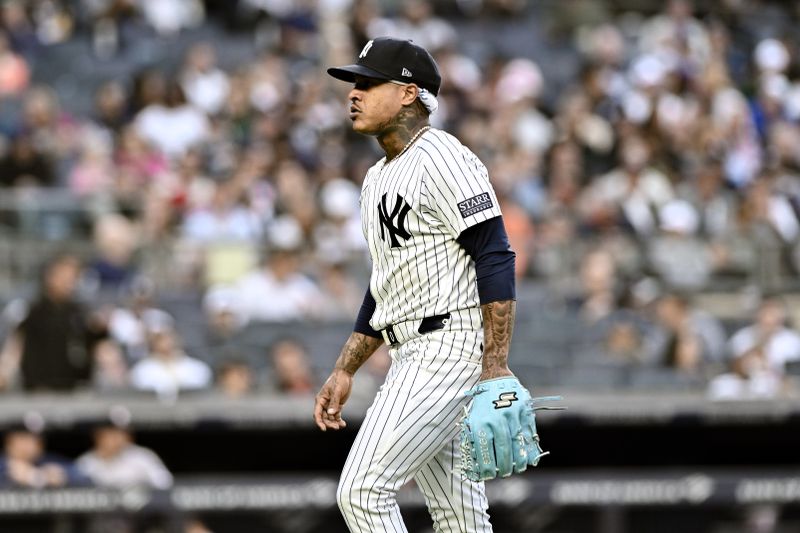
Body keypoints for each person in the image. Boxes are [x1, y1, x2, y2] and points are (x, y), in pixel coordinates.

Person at [315, 37, 519, 531]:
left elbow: (495, 254)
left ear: (408, 92)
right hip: (412, 350)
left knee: (363, 492)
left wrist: (496, 366)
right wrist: (346, 368)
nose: (353, 94)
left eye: (367, 83)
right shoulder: (375, 178)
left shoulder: (443, 157)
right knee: (460, 517)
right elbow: (384, 285)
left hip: (448, 349)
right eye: (352, 85)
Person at [0, 425, 87, 488]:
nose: (30, 445)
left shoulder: (45, 461)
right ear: (9, 441)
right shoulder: (2, 465)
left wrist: (63, 477)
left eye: (35, 440)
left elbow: (82, 477)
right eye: (23, 439)